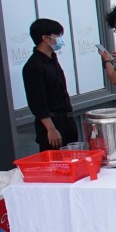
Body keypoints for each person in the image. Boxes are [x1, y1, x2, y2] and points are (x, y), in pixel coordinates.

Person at [22, 18, 76, 151]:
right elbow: (37, 102)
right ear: (45, 38)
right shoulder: (34, 66)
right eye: (57, 35)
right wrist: (51, 128)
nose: (60, 39)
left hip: (67, 120)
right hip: (52, 123)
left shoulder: (52, 58)